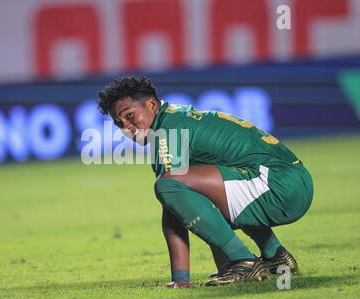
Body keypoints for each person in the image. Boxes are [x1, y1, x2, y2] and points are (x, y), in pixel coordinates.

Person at [97, 75, 314, 287]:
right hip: (291, 180)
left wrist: (181, 279)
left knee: (168, 185)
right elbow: (196, 199)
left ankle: (243, 262)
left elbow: (172, 199)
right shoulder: (175, 117)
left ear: (152, 104)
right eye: (119, 123)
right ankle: (274, 256)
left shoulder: (167, 133)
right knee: (196, 195)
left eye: (130, 115)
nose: (127, 127)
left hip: (278, 187)